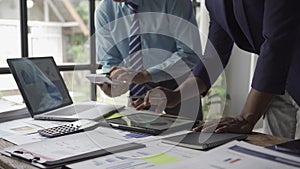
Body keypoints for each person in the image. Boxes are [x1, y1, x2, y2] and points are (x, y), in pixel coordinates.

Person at [133, 0, 300, 139]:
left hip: (279, 75)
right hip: (276, 84)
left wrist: (245, 117)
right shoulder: (215, 3)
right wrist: (176, 95)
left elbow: (277, 43)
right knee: (278, 156)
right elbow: (213, 58)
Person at [94, 0, 203, 121]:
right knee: (139, 137)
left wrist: (146, 75)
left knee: (187, 136)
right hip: (138, 86)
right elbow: (110, 61)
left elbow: (190, 54)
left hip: (179, 84)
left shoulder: (175, 2)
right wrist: (112, 83)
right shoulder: (105, 10)